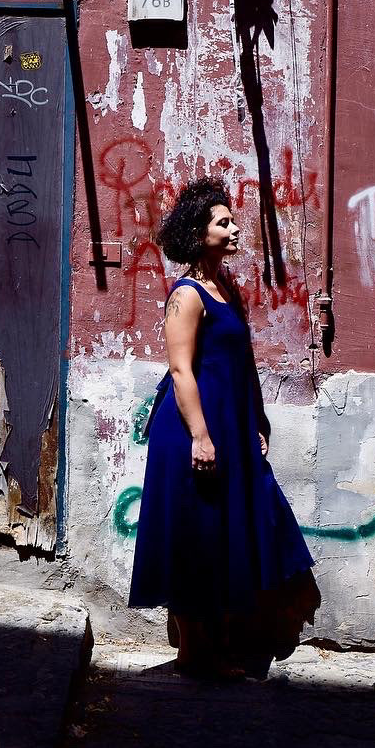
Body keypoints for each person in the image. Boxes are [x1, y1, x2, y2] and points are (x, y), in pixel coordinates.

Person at [128, 176, 318, 679]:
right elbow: (180, 370)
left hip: (228, 427)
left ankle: (212, 647)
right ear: (199, 232)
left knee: (220, 530)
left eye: (233, 221)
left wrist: (254, 423)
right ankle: (196, 655)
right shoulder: (186, 295)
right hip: (192, 430)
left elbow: (238, 365)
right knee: (195, 533)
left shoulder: (223, 288)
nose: (235, 229)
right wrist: (201, 436)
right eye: (223, 222)